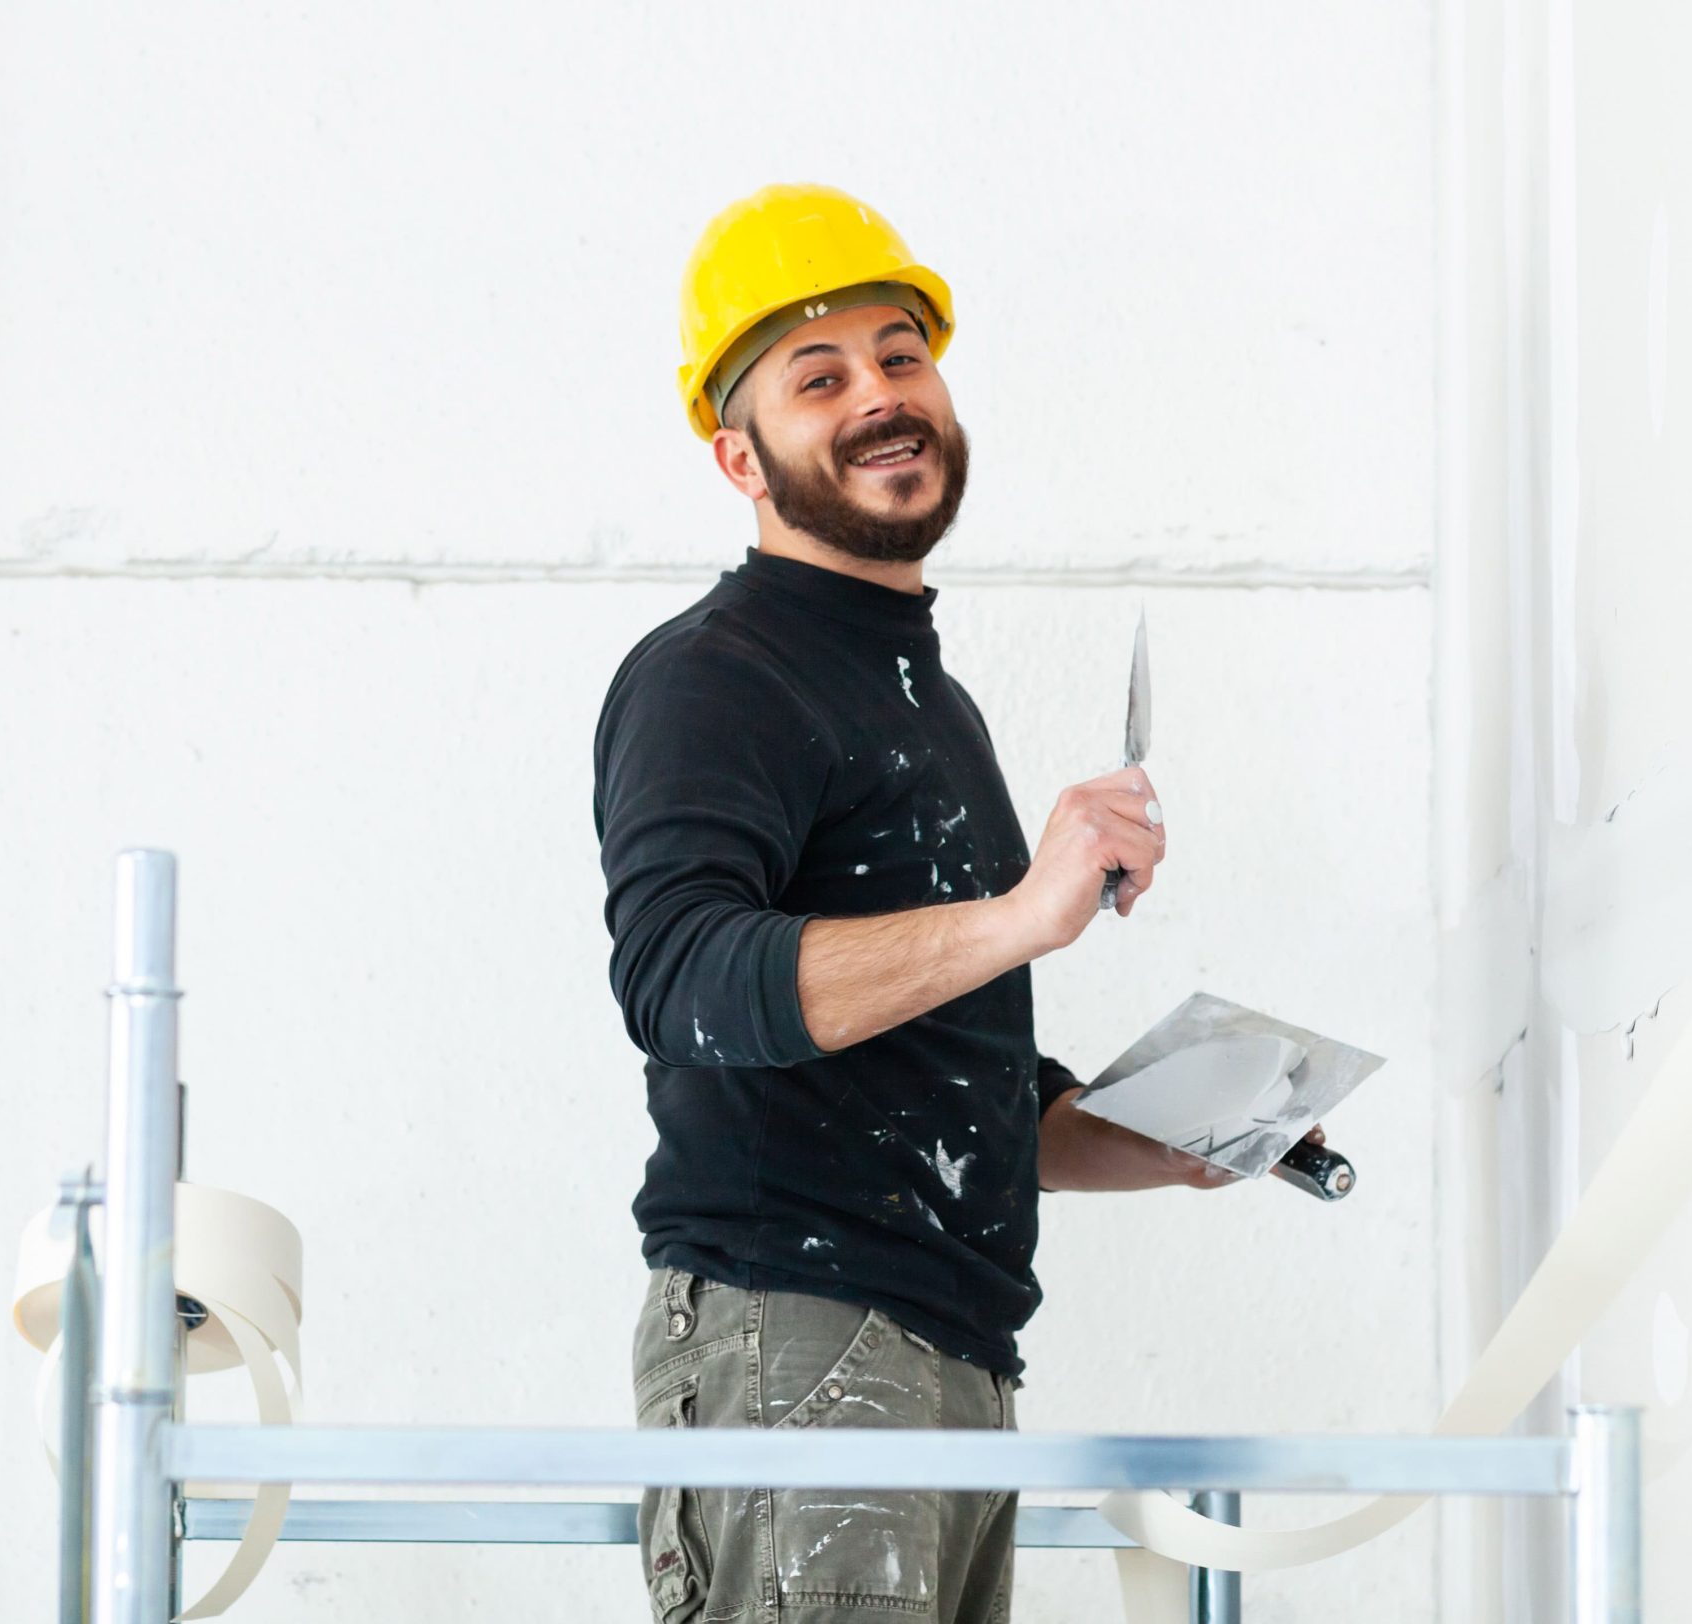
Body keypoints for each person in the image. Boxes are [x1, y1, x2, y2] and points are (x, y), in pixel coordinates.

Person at [593, 184, 1322, 1624]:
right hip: (795, 1340)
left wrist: (1169, 1133)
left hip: (950, 1359)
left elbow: (932, 1092)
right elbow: (680, 981)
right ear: (739, 454)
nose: (878, 395)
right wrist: (1023, 916)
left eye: (899, 355)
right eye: (821, 377)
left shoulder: (934, 706)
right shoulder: (713, 675)